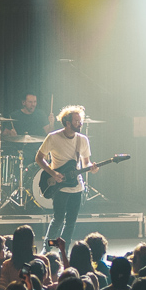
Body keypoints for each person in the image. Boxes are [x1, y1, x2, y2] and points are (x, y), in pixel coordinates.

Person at [36, 105, 98, 248]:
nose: (80, 123)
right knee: (58, 220)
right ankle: (48, 248)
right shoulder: (53, 137)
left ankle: (65, 251)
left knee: (71, 222)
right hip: (60, 186)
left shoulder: (82, 140)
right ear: (67, 123)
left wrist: (92, 169)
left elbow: (85, 163)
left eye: (80, 120)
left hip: (77, 186)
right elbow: (39, 158)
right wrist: (53, 173)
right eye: (76, 121)